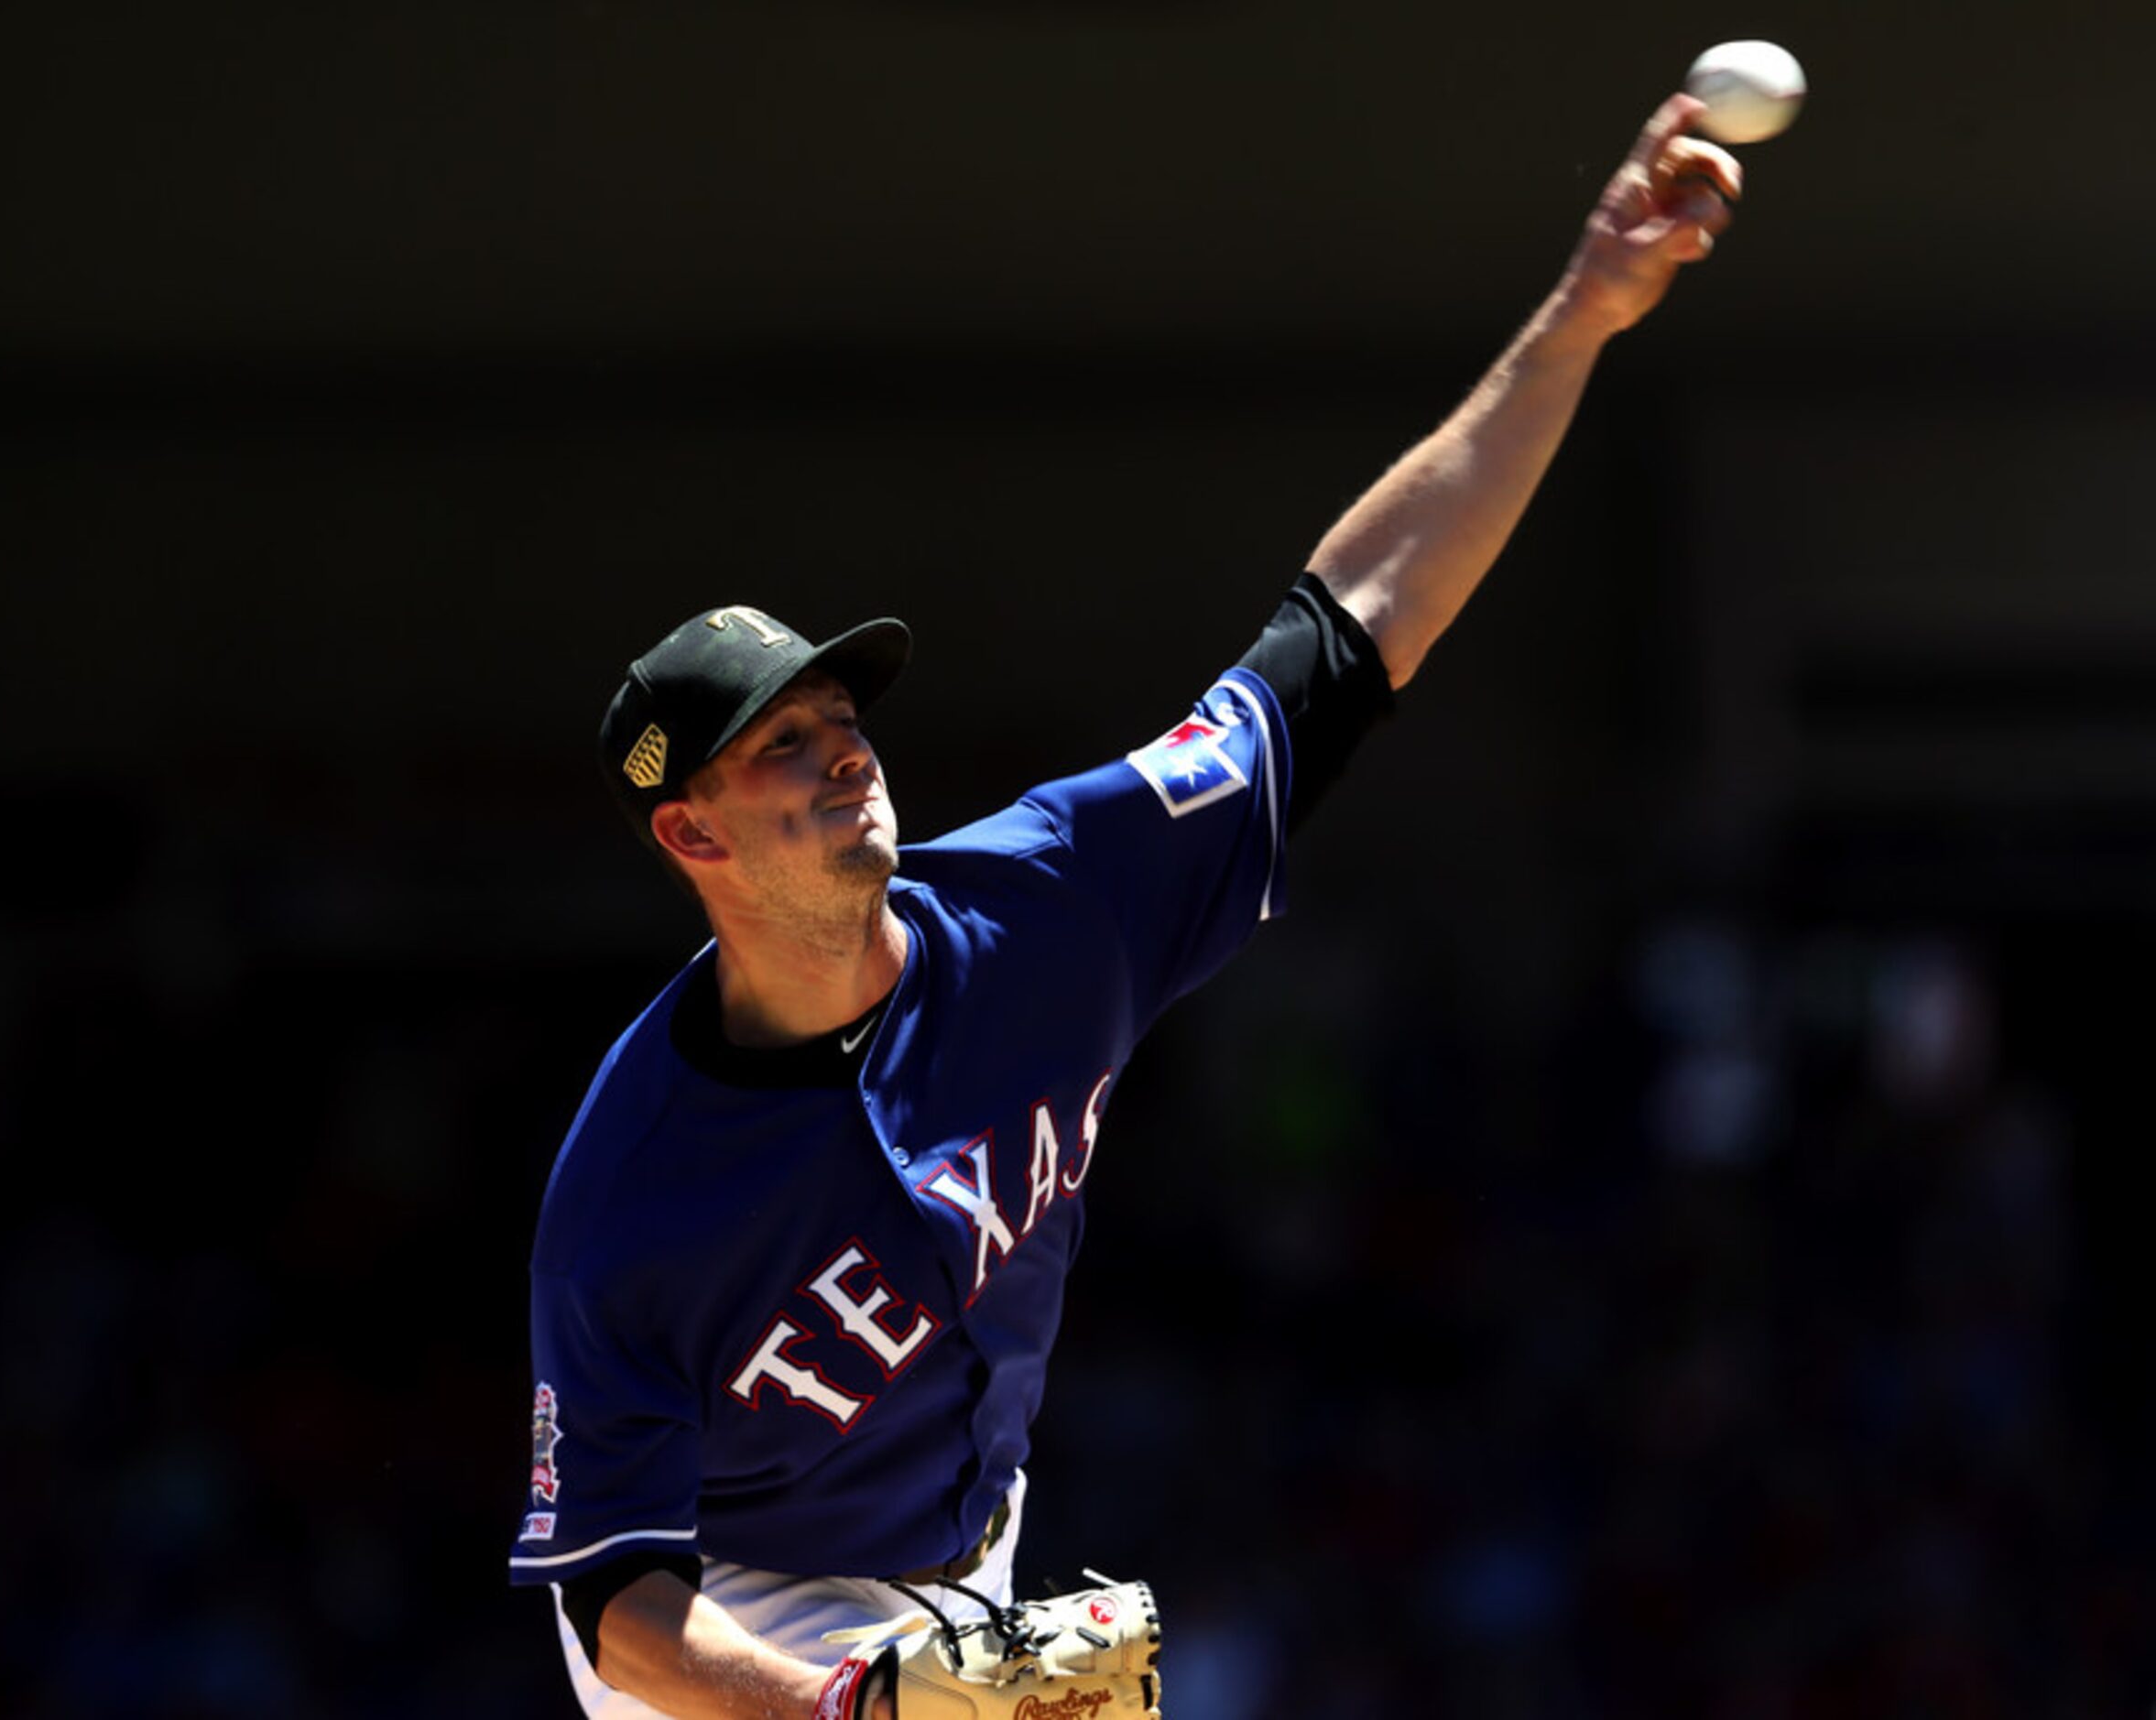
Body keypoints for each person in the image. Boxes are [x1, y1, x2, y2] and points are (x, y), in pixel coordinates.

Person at [509, 92, 1746, 1720]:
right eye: (781, 749)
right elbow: (618, 1609)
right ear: (692, 835)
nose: (843, 754)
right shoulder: (632, 1186)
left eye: (840, 715)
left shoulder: (1052, 896)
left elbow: (1347, 633)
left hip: (968, 1561)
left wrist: (1583, 310)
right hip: (733, 1630)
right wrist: (849, 1706)